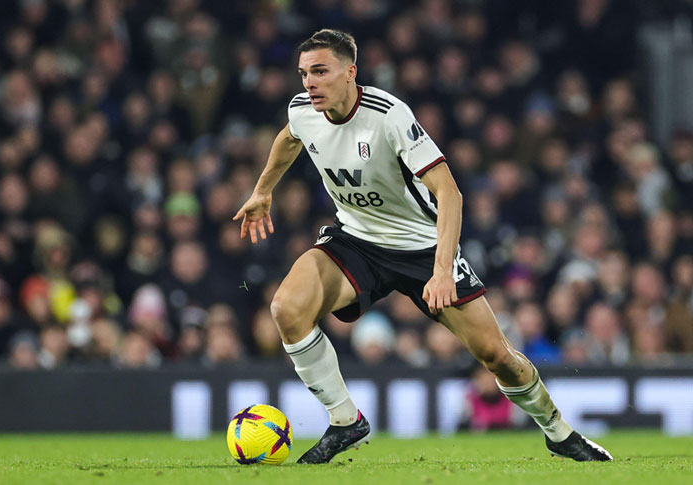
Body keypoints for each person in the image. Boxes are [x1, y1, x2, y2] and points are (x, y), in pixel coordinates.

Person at [234, 29, 613, 464]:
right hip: (355, 238)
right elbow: (288, 138)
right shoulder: (303, 110)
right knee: (286, 308)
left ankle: (558, 432)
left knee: (497, 356)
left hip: (421, 245)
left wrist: (441, 268)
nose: (309, 83)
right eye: (303, 74)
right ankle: (345, 421)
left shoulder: (389, 115)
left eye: (320, 71)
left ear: (350, 72)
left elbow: (450, 193)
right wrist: (263, 190)